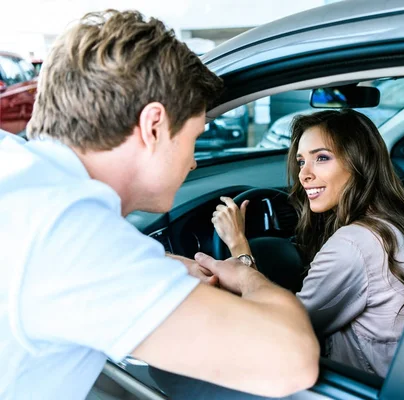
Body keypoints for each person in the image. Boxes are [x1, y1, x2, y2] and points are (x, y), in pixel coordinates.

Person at [0, 10, 319, 400]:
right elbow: (290, 360)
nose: (194, 161)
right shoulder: (67, 232)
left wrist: (159, 265)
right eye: (194, 137)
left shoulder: (19, 174)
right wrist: (243, 273)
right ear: (153, 126)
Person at [213, 109, 404, 377]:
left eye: (321, 158)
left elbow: (278, 329)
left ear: (359, 164)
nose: (303, 175)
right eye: (300, 161)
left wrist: (239, 247)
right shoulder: (397, 225)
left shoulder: (355, 243)